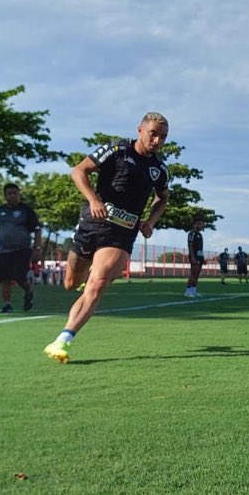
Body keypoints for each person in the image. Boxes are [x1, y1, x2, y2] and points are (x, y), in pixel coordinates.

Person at [43, 112, 170, 364]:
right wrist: (93, 199)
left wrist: (150, 222)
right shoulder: (116, 149)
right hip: (92, 224)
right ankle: (82, 276)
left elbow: (163, 198)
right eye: (153, 133)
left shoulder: (159, 169)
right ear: (140, 130)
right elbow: (79, 171)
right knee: (70, 283)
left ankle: (62, 340)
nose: (157, 140)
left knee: (98, 283)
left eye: (163, 137)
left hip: (122, 234)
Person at [0, 183, 42, 313]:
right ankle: (7, 304)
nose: (12, 195)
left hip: (22, 249)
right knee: (4, 278)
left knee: (19, 276)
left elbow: (37, 230)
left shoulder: (26, 210)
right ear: (5, 196)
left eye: (15, 193)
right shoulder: (0, 211)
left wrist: (37, 248)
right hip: (3, 250)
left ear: (19, 194)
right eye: (9, 193)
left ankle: (29, 291)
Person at [185, 216, 205, 297]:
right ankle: (188, 291)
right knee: (193, 274)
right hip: (194, 256)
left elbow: (200, 248)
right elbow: (190, 245)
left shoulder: (200, 235)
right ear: (194, 225)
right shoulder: (191, 233)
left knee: (197, 274)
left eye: (202, 224)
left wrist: (202, 258)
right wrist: (192, 257)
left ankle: (194, 290)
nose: (200, 226)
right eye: (199, 224)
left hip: (199, 257)